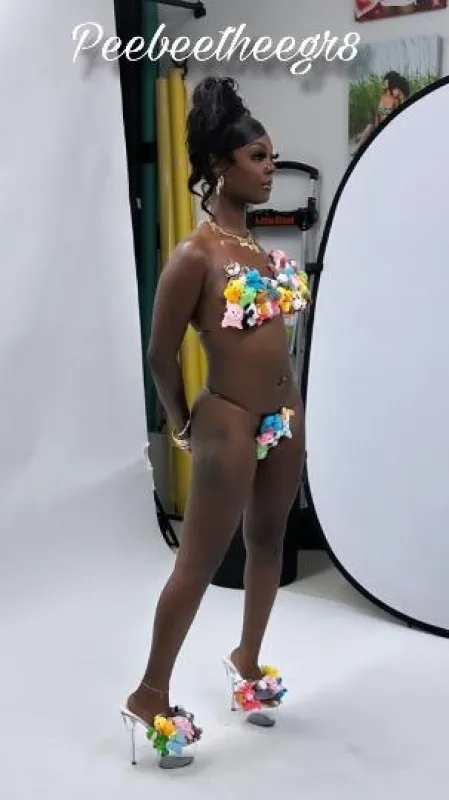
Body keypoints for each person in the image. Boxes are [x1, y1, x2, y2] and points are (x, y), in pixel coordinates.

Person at [120, 76, 311, 769]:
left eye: (271, 157)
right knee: (198, 562)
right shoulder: (194, 256)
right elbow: (159, 352)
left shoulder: (260, 252)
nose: (268, 169)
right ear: (219, 166)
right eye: (257, 157)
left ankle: (247, 660)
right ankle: (149, 692)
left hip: (283, 414)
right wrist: (182, 422)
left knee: (269, 540)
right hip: (226, 418)